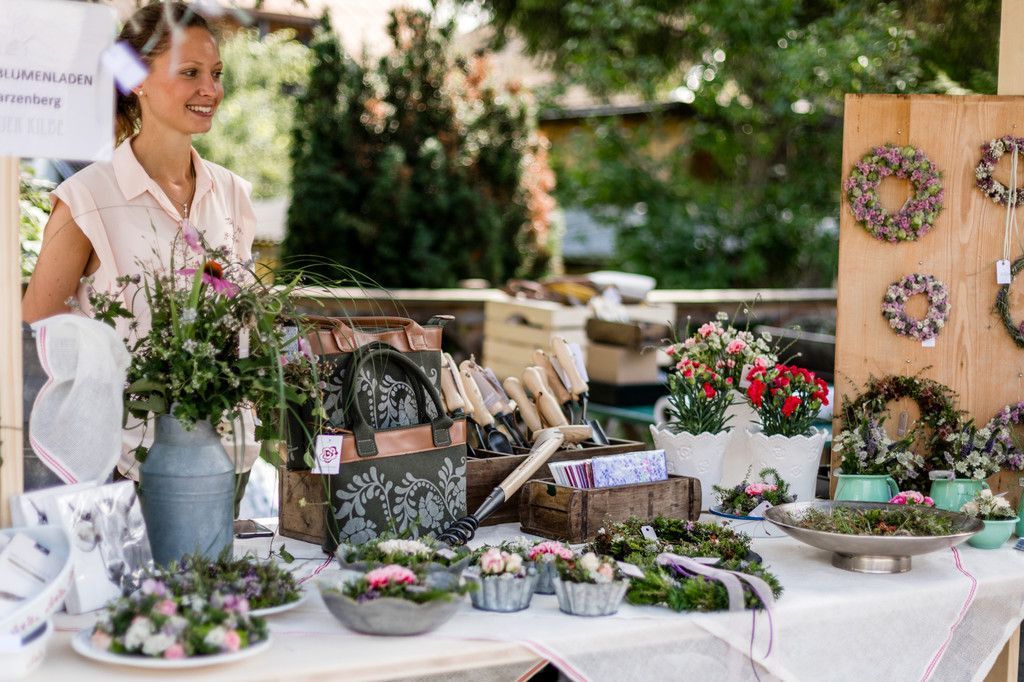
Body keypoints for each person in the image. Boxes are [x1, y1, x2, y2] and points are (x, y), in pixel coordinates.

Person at [22, 2, 260, 497]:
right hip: (119, 477)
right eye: (189, 72)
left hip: (225, 468)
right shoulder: (87, 199)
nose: (210, 89)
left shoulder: (234, 194)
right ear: (136, 80)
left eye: (216, 74)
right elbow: (35, 345)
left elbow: (244, 328)